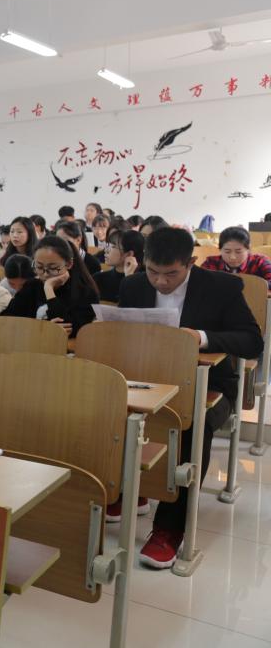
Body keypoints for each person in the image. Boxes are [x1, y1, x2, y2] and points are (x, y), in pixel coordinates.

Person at [119, 227, 263, 568]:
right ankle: (128, 490)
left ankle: (169, 529)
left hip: (209, 386)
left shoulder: (222, 287)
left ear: (191, 262)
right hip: (148, 380)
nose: (160, 282)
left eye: (171, 274)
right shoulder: (133, 285)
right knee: (107, 408)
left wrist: (201, 337)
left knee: (189, 424)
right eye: (153, 271)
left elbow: (251, 341)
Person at [1, 235, 99, 337]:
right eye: (39, 267)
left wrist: (49, 290)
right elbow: (6, 320)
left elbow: (69, 330)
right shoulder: (32, 286)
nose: (45, 274)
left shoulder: (85, 293)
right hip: (32, 343)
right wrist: (44, 329)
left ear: (69, 264)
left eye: (53, 268)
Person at [201, 226, 271, 287]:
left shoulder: (259, 262)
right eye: (227, 251)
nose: (232, 257)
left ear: (248, 249)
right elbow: (199, 282)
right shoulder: (211, 262)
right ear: (220, 249)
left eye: (238, 252)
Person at [93, 229, 145, 302]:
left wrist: (129, 278)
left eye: (113, 247)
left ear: (129, 254)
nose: (106, 250)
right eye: (108, 245)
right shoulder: (98, 278)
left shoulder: (144, 282)